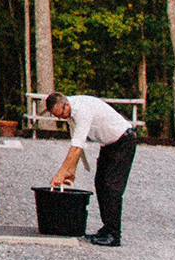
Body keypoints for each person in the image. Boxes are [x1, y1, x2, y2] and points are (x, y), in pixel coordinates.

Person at [45, 91, 138, 246]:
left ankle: (114, 234)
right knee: (100, 183)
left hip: (123, 141)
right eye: (57, 116)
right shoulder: (71, 110)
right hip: (109, 144)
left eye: (60, 114)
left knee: (112, 187)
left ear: (66, 105)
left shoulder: (82, 110)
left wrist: (60, 174)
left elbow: (76, 146)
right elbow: (78, 148)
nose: (60, 118)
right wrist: (71, 172)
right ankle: (106, 228)